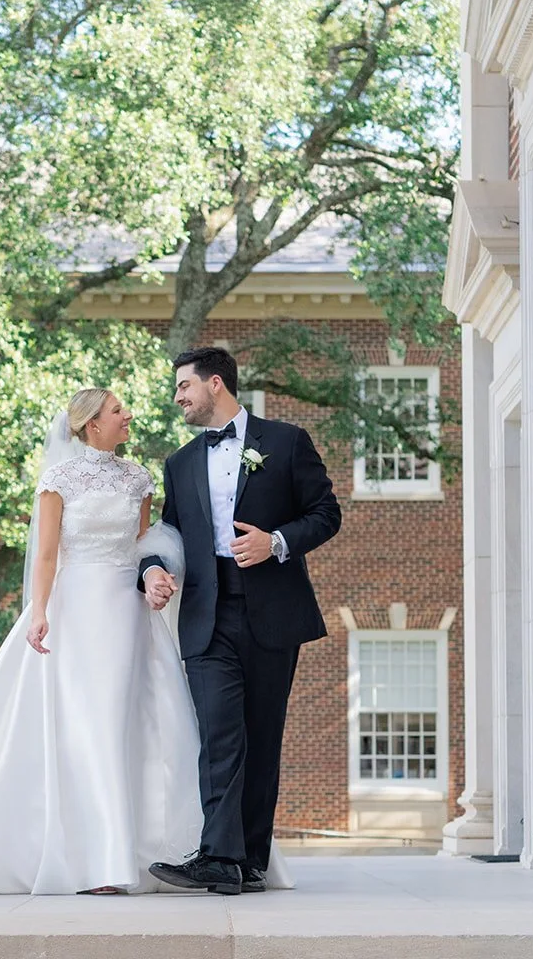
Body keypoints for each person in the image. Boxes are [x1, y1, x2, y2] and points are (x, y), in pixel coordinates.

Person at [0, 388, 207, 895]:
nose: (127, 416)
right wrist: (41, 611)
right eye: (118, 411)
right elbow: (47, 554)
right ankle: (95, 863)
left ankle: (134, 853)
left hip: (127, 613)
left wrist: (154, 576)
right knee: (83, 728)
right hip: (75, 610)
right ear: (92, 423)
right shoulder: (59, 479)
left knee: (127, 723)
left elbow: (142, 547)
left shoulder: (139, 478)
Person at [139, 347, 341, 896]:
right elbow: (170, 533)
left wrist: (275, 542)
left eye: (184, 386)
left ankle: (249, 861)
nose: (178, 397)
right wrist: (153, 568)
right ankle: (219, 857)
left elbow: (326, 514)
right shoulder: (179, 462)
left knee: (262, 734)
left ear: (216, 384)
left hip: (273, 611)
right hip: (206, 613)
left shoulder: (286, 441)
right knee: (220, 734)